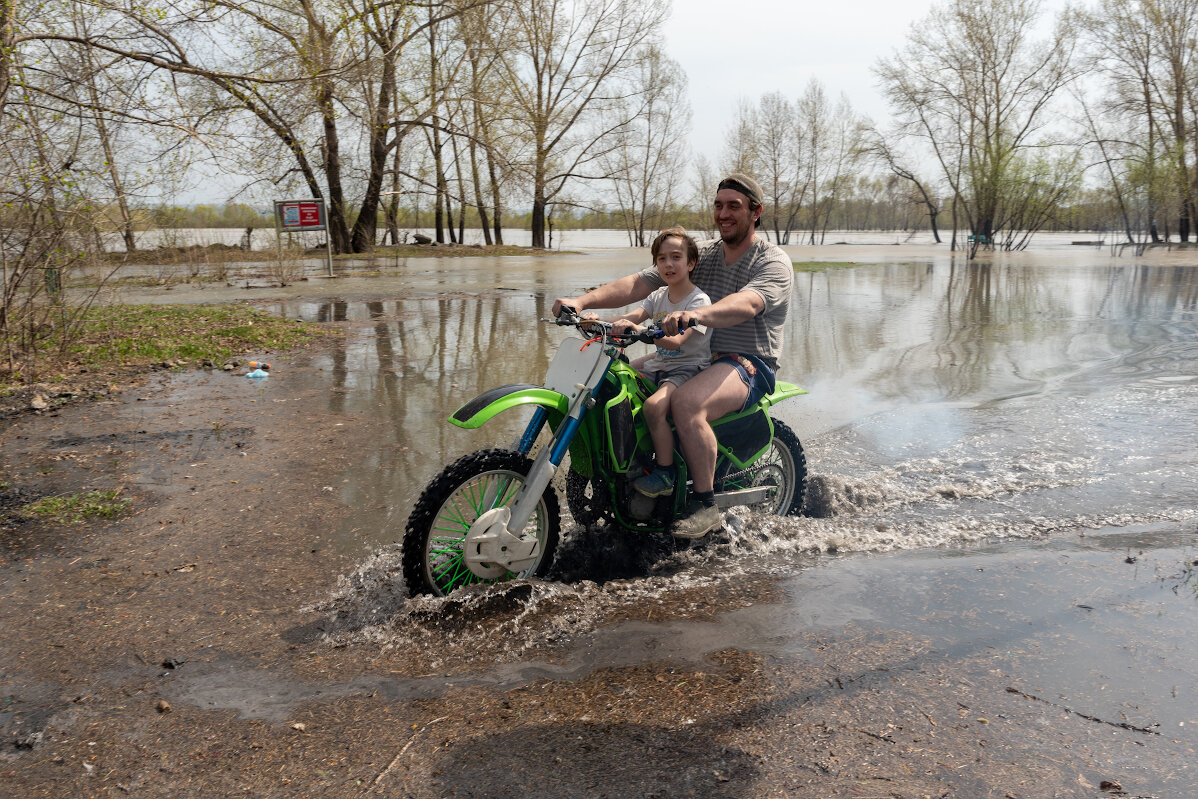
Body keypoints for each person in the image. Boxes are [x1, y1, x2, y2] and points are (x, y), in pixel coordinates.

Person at [553, 174, 793, 539]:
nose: (723, 213)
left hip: (745, 362)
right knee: (612, 381)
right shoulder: (702, 255)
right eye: (718, 205)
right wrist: (582, 302)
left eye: (734, 206)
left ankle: (705, 505)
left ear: (756, 212)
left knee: (685, 404)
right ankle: (632, 473)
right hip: (693, 357)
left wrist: (696, 315)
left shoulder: (773, 262)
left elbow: (747, 303)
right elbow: (640, 283)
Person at [582, 227, 711, 498]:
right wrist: (599, 322)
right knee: (615, 381)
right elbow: (631, 318)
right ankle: (631, 457)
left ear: (690, 263)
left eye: (676, 257)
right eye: (661, 259)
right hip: (659, 363)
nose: (668, 264)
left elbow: (676, 342)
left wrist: (645, 333)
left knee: (653, 407)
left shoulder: (698, 300)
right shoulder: (658, 296)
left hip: (687, 369)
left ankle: (665, 472)